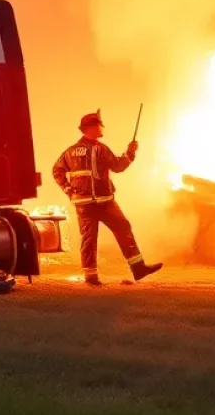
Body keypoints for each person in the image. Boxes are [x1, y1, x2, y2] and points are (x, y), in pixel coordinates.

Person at [52, 111, 163, 286]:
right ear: (91, 128)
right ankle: (134, 269)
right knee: (117, 229)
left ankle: (94, 276)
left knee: (91, 237)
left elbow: (56, 170)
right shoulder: (100, 148)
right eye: (100, 124)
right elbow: (118, 166)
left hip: (87, 202)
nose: (102, 127)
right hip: (102, 202)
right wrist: (130, 154)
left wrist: (69, 190)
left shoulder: (71, 151)